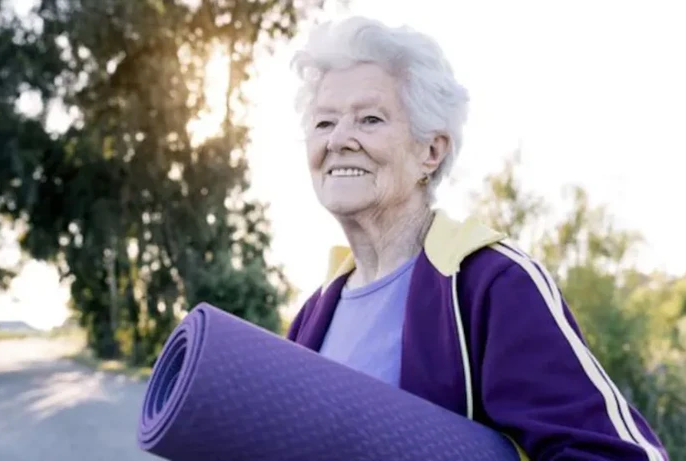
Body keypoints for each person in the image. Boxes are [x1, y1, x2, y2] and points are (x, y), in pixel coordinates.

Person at [285, 16, 668, 461]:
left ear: (431, 151)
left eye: (369, 119)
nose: (339, 140)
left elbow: (615, 454)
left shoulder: (493, 284)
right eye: (324, 123)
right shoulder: (312, 316)